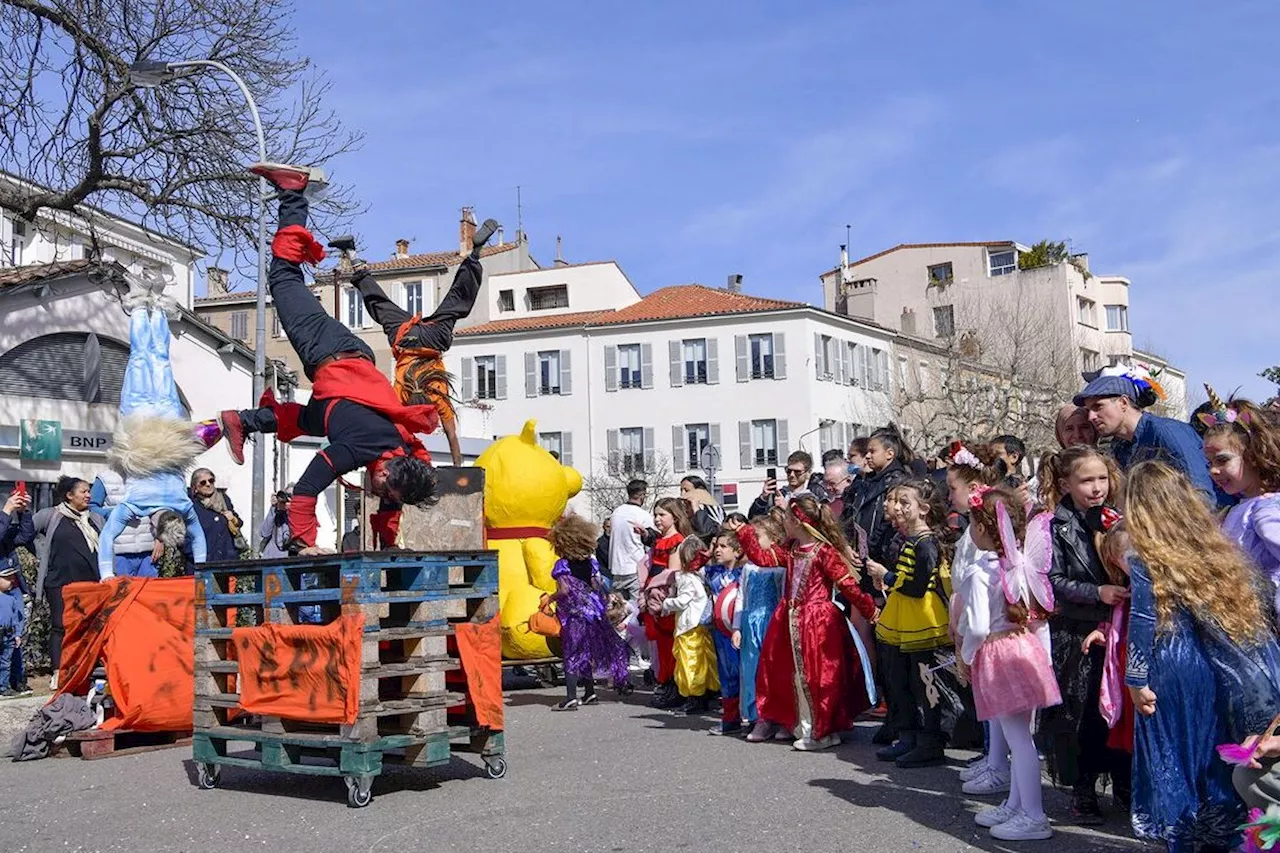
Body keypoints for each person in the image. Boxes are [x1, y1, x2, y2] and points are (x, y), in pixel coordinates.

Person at [214, 163, 439, 553]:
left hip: (344, 381)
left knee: (305, 419)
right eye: (385, 487)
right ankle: (292, 193)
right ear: (385, 472)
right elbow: (306, 488)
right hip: (331, 353)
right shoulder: (365, 450)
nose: (379, 490)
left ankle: (242, 421)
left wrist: (391, 545)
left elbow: (389, 505)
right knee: (283, 278)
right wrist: (305, 543)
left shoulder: (395, 458)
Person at [1124, 461, 1280, 853]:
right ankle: (1223, 841)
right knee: (1213, 767)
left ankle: (1185, 842)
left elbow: (1143, 620)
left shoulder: (1145, 556)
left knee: (1175, 767)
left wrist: (1136, 680)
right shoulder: (1215, 548)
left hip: (1169, 668)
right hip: (1212, 671)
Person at [344, 215, 499, 468]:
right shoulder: (401, 396)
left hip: (432, 338)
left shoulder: (437, 396)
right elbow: (445, 437)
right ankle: (353, 256)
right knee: (381, 306)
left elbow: (451, 436)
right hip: (404, 338)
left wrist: (458, 467)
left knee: (455, 303)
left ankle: (475, 254)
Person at [957, 486, 1060, 842]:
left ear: (982, 528)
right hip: (1023, 648)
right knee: (1022, 738)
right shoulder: (1014, 563)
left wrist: (967, 655)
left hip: (999, 653)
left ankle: (1034, 815)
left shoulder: (981, 570)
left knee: (1019, 740)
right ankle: (1017, 804)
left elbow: (978, 625)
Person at [738, 494, 877, 751]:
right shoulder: (790, 550)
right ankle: (806, 725)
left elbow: (848, 585)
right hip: (791, 619)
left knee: (819, 676)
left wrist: (870, 610)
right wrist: (745, 532)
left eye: (789, 519)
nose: (785, 524)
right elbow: (763, 558)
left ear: (799, 522)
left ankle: (821, 730)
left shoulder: (823, 552)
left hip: (817, 622)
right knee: (795, 675)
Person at [1040, 445, 1131, 824]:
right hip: (1076, 630)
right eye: (1086, 480)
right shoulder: (1053, 525)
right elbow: (1052, 581)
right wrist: (1097, 593)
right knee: (1084, 716)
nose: (1096, 488)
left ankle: (1125, 782)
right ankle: (1084, 789)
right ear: (1066, 483)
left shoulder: (1116, 516)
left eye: (1101, 478)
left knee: (1121, 711)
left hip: (1118, 626)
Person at [868, 477, 954, 768]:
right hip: (903, 613)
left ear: (924, 509)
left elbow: (917, 586)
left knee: (924, 680)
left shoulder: (926, 542)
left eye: (906, 503)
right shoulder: (911, 539)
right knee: (901, 677)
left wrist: (886, 576)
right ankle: (908, 735)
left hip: (921, 615)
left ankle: (931, 740)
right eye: (898, 502)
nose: (899, 508)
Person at [1074, 363, 1215, 501]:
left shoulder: (1166, 432)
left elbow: (1203, 496)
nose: (1091, 417)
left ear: (1123, 402)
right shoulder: (1119, 447)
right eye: (1088, 410)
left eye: (1098, 407)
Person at [1200, 393, 1280, 618]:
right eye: (1210, 463)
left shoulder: (1265, 512)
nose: (1213, 470)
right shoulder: (1239, 509)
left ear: (1253, 456)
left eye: (1223, 460)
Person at [546, 515, 629, 711]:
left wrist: (550, 598)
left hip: (573, 614)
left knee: (572, 653)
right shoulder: (590, 563)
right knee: (586, 653)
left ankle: (570, 697)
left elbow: (564, 590)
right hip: (592, 612)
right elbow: (595, 585)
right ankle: (590, 693)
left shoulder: (562, 565)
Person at [32, 477, 103, 687]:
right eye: (83, 491)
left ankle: (85, 668)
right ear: (69, 495)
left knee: (88, 627)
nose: (88, 495)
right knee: (60, 626)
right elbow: (27, 533)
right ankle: (57, 670)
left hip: (90, 582)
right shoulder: (51, 515)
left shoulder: (95, 519)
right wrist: (40, 551)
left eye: (89, 491)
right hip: (59, 580)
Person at [842, 428, 910, 600]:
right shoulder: (866, 481)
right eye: (866, 452)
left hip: (884, 561)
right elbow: (852, 517)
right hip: (864, 561)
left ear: (889, 454)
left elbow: (889, 524)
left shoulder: (898, 482)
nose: (867, 457)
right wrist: (848, 546)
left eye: (872, 451)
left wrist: (871, 552)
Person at [639, 497, 692, 709]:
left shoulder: (677, 542)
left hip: (664, 598)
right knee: (660, 645)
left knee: (669, 644)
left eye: (662, 514)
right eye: (656, 514)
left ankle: (674, 686)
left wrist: (656, 596)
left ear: (675, 517)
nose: (657, 519)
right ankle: (666, 682)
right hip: (653, 594)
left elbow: (671, 575)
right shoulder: (660, 540)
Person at [737, 515, 786, 741]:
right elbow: (742, 597)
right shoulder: (749, 568)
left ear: (774, 538)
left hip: (772, 623)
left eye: (758, 537)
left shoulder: (779, 568)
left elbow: (783, 595)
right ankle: (757, 717)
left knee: (773, 670)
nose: (754, 542)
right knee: (751, 670)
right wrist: (737, 627)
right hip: (750, 623)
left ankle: (778, 717)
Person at [660, 536, 720, 715]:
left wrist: (666, 603)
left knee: (689, 661)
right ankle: (709, 693)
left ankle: (694, 697)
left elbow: (683, 601)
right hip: (701, 625)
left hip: (688, 627)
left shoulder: (686, 578)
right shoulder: (701, 576)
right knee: (705, 660)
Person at [706, 530, 744, 734]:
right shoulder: (713, 572)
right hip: (720, 630)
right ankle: (731, 718)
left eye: (723, 546)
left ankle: (755, 716)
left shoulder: (744, 572)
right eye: (716, 546)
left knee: (744, 673)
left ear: (737, 551)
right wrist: (708, 551)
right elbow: (693, 564)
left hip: (739, 631)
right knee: (727, 674)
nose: (718, 550)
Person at [1, 488, 33, 694]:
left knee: (15, 638)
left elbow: (25, 535)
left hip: (14, 589)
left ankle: (16, 680)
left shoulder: (6, 528)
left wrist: (24, 512)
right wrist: (6, 511)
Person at [749, 449, 828, 520]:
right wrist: (763, 498)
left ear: (808, 473)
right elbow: (753, 519)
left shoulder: (811, 499)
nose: (792, 475)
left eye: (797, 472)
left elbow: (809, 525)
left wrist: (787, 508)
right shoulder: (778, 494)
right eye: (788, 471)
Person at [608, 479, 651, 603]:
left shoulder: (616, 513)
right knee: (637, 608)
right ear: (642, 495)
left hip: (616, 567)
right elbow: (652, 538)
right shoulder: (642, 514)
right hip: (635, 566)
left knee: (619, 609)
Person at [189, 469, 243, 562]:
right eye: (203, 482)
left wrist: (233, 519)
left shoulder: (223, 499)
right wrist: (196, 554)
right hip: (203, 561)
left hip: (227, 559)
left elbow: (239, 522)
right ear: (195, 487)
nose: (208, 484)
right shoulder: (191, 505)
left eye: (211, 480)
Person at [0, 565, 26, 697]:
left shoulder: (12, 599)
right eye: (6, 578)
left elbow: (16, 618)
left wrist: (17, 634)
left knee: (6, 662)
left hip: (8, 634)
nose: (11, 581)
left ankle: (4, 686)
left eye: (12, 578)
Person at [680, 475, 724, 540]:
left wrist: (696, 510)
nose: (682, 494)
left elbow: (707, 532)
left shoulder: (713, 511)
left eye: (687, 490)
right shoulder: (683, 510)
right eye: (681, 490)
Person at [259, 490, 293, 559]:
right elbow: (264, 533)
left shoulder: (299, 515)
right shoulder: (276, 512)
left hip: (291, 559)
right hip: (272, 558)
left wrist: (292, 510)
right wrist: (273, 507)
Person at [822, 449, 853, 518]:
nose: (827, 487)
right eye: (825, 483)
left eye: (832, 483)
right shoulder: (824, 505)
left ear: (848, 481)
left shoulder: (855, 505)